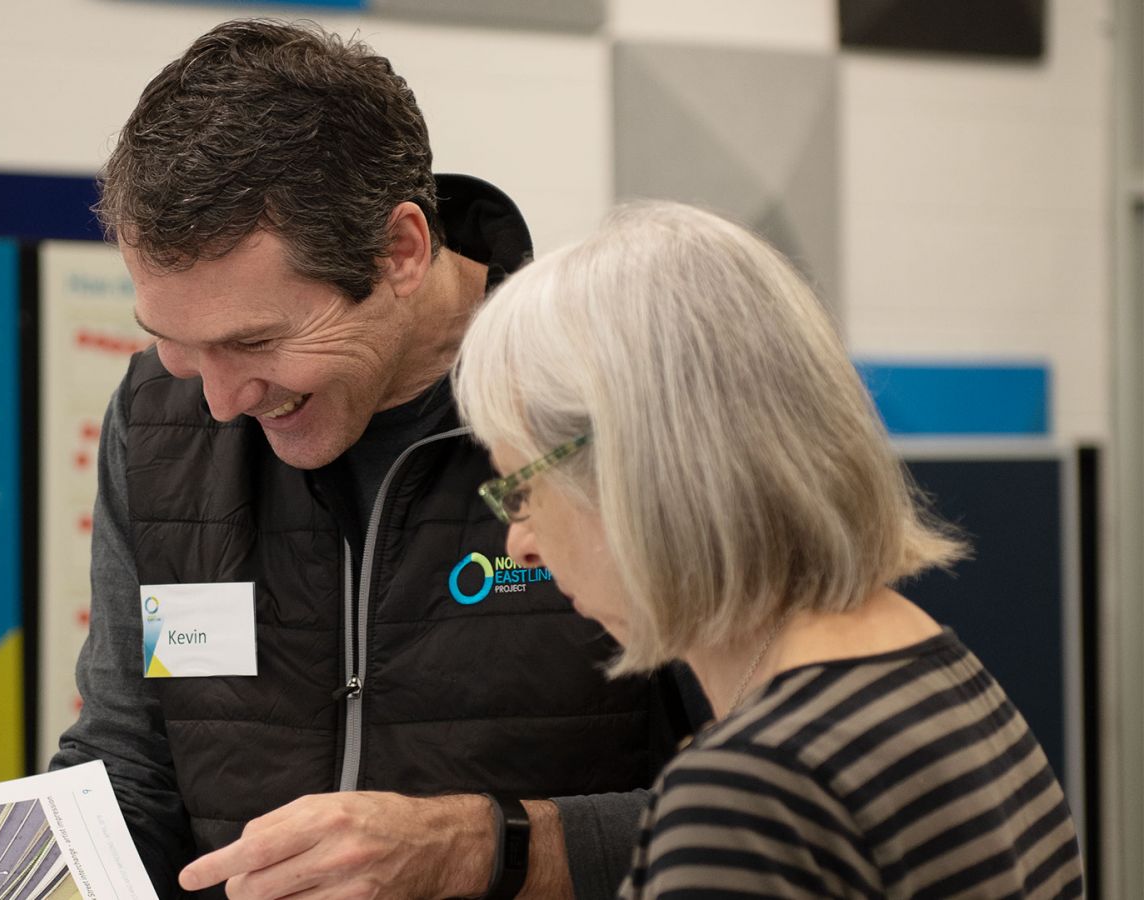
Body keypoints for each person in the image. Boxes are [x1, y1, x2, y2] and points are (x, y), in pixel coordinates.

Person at [50, 18, 700, 900]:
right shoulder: (156, 416)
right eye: (173, 341)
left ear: (399, 251)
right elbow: (130, 765)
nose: (217, 401)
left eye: (254, 341)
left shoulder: (622, 396)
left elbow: (797, 799)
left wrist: (488, 848)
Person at [453, 199, 1086, 897]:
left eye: (521, 487)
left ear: (639, 470)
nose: (520, 540)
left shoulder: (749, 794)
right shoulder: (941, 675)